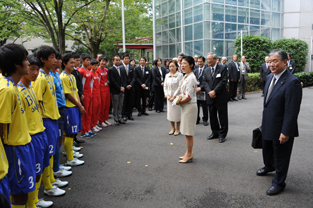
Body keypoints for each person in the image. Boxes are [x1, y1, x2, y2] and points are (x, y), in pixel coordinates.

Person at [256, 49, 302, 196]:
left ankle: (279, 182)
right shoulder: (270, 77)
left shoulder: (292, 82)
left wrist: (286, 131)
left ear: (284, 62)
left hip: (282, 127)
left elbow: (291, 111)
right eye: (269, 61)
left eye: (275, 61)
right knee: (267, 150)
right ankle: (269, 166)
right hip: (268, 123)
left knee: (281, 156)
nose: (271, 64)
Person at [0, 43, 37, 208]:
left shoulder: (12, 87)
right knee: (19, 193)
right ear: (16, 65)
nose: (28, 63)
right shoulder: (6, 90)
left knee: (24, 191)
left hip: (22, 145)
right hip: (14, 149)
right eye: (25, 59)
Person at [18, 55, 56, 208]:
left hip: (40, 133)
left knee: (39, 170)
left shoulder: (30, 88)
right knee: (31, 173)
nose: (34, 72)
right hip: (30, 137)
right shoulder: (16, 91)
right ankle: (32, 202)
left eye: (35, 69)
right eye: (30, 69)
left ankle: (35, 200)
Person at [32, 45, 66, 197]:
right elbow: (38, 103)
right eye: (51, 57)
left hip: (53, 118)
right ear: (42, 59)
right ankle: (45, 188)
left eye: (55, 57)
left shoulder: (49, 76)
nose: (55, 60)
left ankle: (50, 181)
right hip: (45, 121)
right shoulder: (40, 79)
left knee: (50, 153)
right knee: (46, 155)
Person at [60, 53, 86, 167]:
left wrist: (80, 105)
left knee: (73, 132)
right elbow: (68, 94)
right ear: (64, 63)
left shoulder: (71, 76)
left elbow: (75, 92)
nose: (73, 64)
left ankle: (70, 152)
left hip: (74, 107)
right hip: (69, 108)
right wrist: (79, 106)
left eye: (74, 62)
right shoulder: (63, 77)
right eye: (71, 62)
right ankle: (70, 157)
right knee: (69, 132)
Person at [173, 56, 197, 163]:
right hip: (186, 107)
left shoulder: (191, 78)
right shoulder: (186, 76)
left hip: (189, 106)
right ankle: (188, 153)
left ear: (191, 65)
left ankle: (189, 154)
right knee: (186, 132)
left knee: (188, 132)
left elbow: (188, 97)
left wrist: (177, 102)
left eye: (185, 63)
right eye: (181, 63)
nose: (182, 65)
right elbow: (181, 91)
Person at [203, 53, 229, 143]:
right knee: (212, 116)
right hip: (210, 96)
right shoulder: (206, 70)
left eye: (210, 59)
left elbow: (223, 81)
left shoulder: (222, 68)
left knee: (222, 116)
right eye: (207, 59)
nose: (208, 61)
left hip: (220, 96)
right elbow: (204, 82)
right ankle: (215, 132)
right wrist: (210, 91)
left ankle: (222, 134)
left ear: (215, 59)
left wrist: (215, 91)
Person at [164, 60, 183, 136]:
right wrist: (167, 95)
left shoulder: (180, 75)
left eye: (173, 66)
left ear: (177, 67)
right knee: (170, 114)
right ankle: (172, 128)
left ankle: (178, 128)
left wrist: (174, 96)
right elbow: (165, 86)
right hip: (169, 98)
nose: (171, 68)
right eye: (170, 66)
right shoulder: (167, 75)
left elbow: (180, 87)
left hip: (177, 97)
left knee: (177, 114)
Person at [78, 53, 96, 138]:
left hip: (89, 93)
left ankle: (88, 129)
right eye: (87, 60)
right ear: (82, 61)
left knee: (89, 112)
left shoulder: (87, 71)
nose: (89, 62)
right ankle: (83, 131)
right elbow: (80, 84)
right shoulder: (81, 71)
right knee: (84, 113)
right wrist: (81, 94)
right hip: (84, 94)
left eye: (89, 60)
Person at [71, 52, 85, 144]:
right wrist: (80, 94)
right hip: (76, 97)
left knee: (78, 119)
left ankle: (75, 138)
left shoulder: (77, 71)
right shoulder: (71, 72)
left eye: (78, 60)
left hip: (79, 95)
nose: (77, 62)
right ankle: (73, 140)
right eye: (76, 61)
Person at [108, 55, 127, 125]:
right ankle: (115, 119)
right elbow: (113, 81)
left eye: (119, 60)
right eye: (116, 60)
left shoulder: (122, 69)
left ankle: (120, 118)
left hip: (122, 90)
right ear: (113, 61)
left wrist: (124, 86)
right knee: (115, 106)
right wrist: (119, 88)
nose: (118, 61)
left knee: (120, 105)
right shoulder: (111, 70)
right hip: (115, 91)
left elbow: (124, 79)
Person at [97, 56, 112, 127]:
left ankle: (106, 119)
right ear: (99, 61)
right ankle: (101, 120)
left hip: (107, 89)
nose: (103, 62)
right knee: (102, 106)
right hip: (101, 90)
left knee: (107, 105)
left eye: (105, 61)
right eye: (102, 61)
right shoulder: (97, 70)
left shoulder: (106, 70)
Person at [194, 56, 209, 126]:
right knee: (196, 106)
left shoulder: (207, 70)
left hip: (204, 91)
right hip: (197, 91)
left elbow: (207, 81)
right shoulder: (195, 70)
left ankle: (205, 119)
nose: (199, 63)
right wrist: (197, 88)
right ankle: (197, 119)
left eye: (200, 61)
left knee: (204, 106)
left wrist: (201, 87)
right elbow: (193, 81)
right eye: (198, 61)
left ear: (204, 62)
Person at [120, 52, 136, 121]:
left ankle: (130, 115)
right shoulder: (120, 67)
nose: (127, 60)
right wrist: (125, 85)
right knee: (124, 102)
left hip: (131, 87)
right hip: (124, 87)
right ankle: (124, 114)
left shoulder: (131, 67)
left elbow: (134, 77)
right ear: (123, 59)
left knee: (130, 101)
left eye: (128, 59)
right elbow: (120, 78)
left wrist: (130, 85)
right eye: (125, 59)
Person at [90, 59, 102, 132]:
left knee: (97, 110)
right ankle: (92, 125)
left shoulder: (97, 74)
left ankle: (95, 123)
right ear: (91, 66)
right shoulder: (90, 74)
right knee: (93, 111)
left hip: (98, 94)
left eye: (97, 65)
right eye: (95, 65)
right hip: (93, 95)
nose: (96, 67)